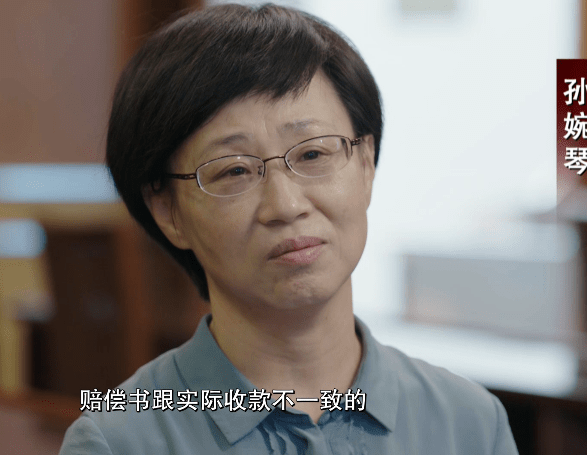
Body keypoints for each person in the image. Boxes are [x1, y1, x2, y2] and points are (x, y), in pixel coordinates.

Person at [59, 4, 518, 454]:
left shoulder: (470, 424)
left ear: (365, 165)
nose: (286, 205)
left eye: (313, 154)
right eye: (234, 171)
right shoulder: (117, 442)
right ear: (167, 212)